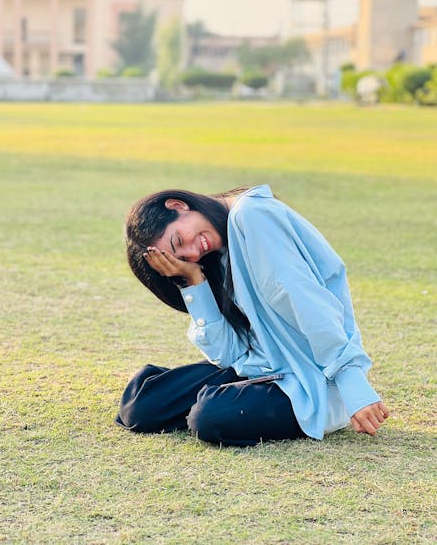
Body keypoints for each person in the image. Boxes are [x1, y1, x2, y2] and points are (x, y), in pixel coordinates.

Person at [116, 184, 389, 446]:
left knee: (211, 416)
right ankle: (218, 398)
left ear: (178, 206)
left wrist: (351, 381)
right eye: (182, 259)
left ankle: (218, 401)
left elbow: (307, 302)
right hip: (261, 368)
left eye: (179, 240)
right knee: (141, 406)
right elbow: (230, 355)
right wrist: (193, 281)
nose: (192, 253)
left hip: (312, 381)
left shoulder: (253, 215)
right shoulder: (218, 252)